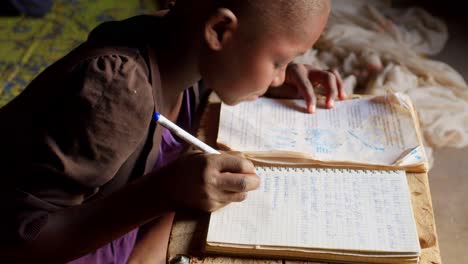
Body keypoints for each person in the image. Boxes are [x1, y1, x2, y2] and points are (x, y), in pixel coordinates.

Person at [0, 0, 344, 263]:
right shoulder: (116, 91)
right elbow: (17, 244)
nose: (281, 76)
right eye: (278, 61)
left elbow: (228, 57)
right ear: (220, 31)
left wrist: (272, 78)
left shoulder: (180, 46)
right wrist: (164, 192)